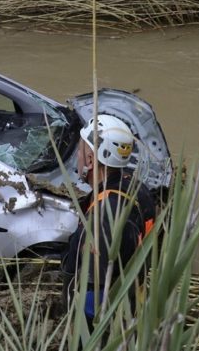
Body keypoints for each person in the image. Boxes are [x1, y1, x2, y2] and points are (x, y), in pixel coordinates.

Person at [60, 114, 156, 325]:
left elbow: (93, 300)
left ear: (91, 160)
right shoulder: (137, 188)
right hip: (133, 301)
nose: (77, 155)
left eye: (80, 149)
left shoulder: (103, 219)